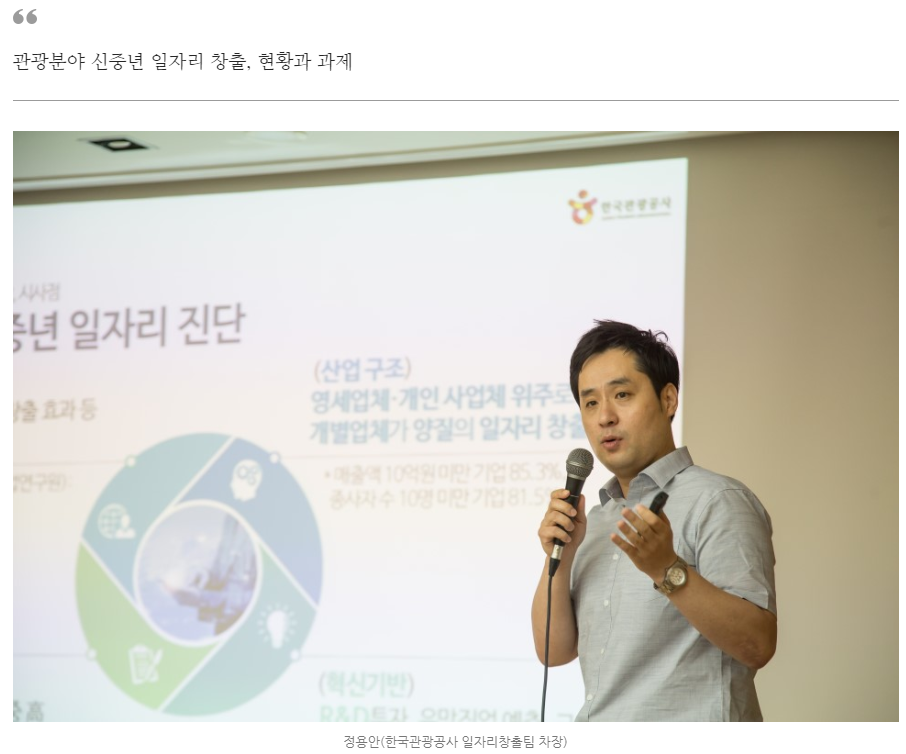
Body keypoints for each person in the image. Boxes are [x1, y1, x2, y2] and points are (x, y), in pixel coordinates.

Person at [531, 320, 777, 721]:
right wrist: (560, 555)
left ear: (668, 400)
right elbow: (553, 651)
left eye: (622, 395)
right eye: (590, 403)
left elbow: (758, 645)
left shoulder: (718, 500)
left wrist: (666, 568)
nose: (604, 417)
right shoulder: (596, 518)